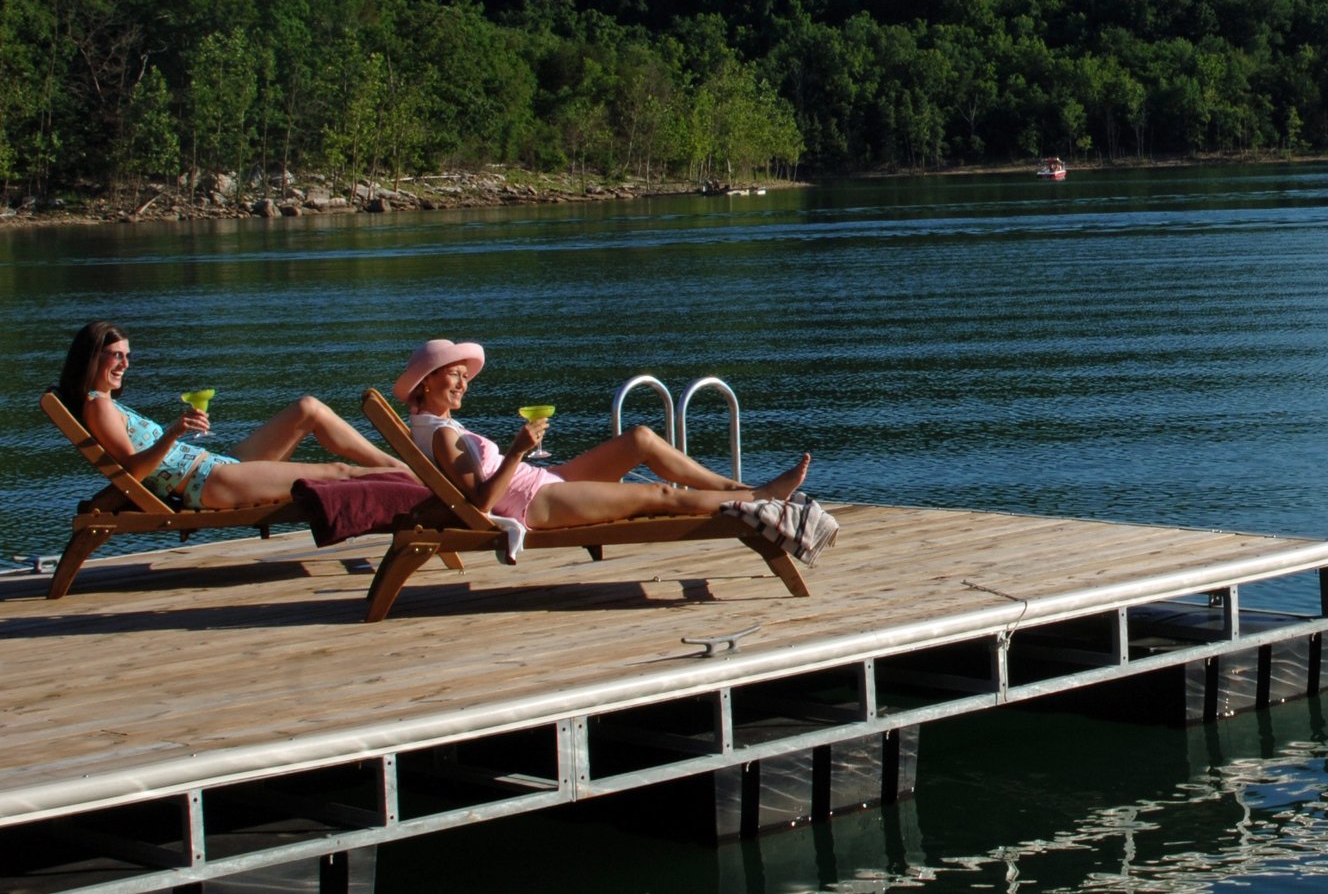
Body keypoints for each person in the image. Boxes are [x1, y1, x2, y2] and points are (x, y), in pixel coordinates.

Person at [396, 339, 809, 532]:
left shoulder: (441, 428)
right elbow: (482, 503)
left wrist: (522, 457)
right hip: (533, 503)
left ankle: (744, 488)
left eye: (465, 378)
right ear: (427, 382)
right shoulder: (441, 437)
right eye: (455, 376)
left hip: (544, 482)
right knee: (658, 497)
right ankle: (757, 499)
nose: (464, 385)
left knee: (641, 438)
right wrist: (518, 451)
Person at [54, 320, 407, 510]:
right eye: (116, 356)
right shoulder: (98, 405)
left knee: (308, 409)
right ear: (93, 357)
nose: (125, 364)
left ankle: (402, 468)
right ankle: (416, 482)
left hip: (215, 466)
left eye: (126, 355)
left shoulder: (106, 403)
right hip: (207, 482)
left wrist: (177, 433)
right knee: (338, 473)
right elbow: (132, 472)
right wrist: (173, 433)